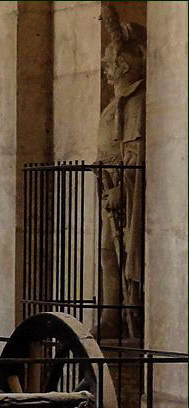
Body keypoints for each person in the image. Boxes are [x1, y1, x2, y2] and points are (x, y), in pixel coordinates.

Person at [97, 5, 145, 339]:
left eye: (110, 65)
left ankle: (129, 317)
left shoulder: (139, 101)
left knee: (127, 259)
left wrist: (121, 192)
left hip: (127, 197)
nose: (105, 72)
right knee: (107, 253)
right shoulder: (114, 105)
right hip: (110, 192)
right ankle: (112, 314)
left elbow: (136, 154)